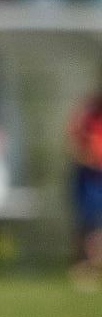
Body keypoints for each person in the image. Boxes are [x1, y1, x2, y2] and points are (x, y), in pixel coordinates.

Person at [72, 81, 102, 287]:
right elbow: (73, 138)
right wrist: (85, 156)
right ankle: (88, 265)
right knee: (88, 223)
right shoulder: (88, 112)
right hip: (90, 176)